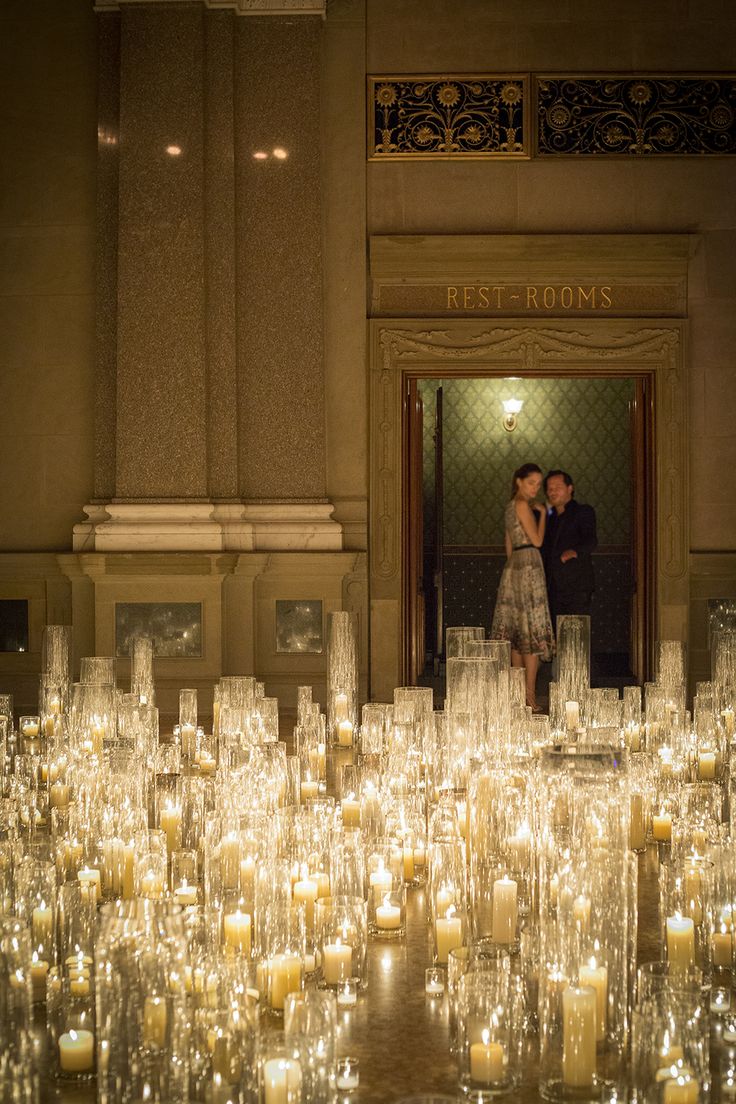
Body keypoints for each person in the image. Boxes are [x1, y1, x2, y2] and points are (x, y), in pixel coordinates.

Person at [491, 463, 555, 712]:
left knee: (517, 635)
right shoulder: (521, 505)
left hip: (514, 566)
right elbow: (537, 540)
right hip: (528, 563)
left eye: (539, 484)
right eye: (532, 483)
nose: (535, 488)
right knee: (529, 634)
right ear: (519, 481)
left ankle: (518, 696)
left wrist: (512, 570)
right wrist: (544, 515)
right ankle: (529, 696)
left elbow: (508, 543)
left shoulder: (509, 507)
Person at [541, 470, 598, 631]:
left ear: (570, 488)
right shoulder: (550, 518)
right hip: (553, 586)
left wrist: (573, 552)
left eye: (557, 487)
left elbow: (591, 540)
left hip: (576, 585)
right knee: (557, 634)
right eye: (549, 488)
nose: (552, 491)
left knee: (576, 633)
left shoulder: (582, 511)